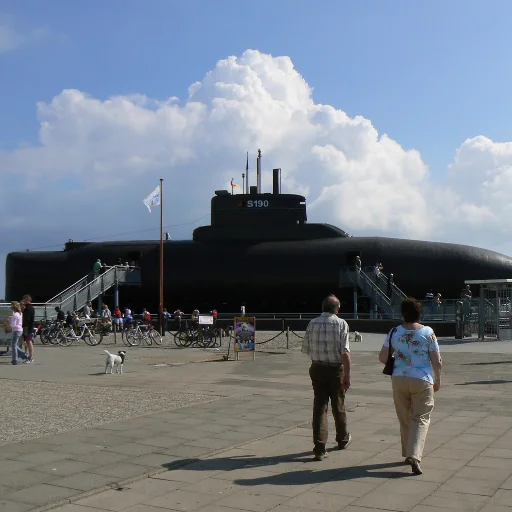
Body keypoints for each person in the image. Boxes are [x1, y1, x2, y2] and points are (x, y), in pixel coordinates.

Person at [378, 297, 442, 476]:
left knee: (405, 418)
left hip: (399, 378)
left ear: (403, 314)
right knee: (421, 417)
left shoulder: (394, 332)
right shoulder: (428, 332)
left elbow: (383, 358)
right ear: (419, 313)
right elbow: (437, 361)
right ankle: (414, 455)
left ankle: (407, 453)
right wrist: (438, 380)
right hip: (422, 379)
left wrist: (400, 358)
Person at [301, 294, 352, 461]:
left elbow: (306, 348)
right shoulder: (341, 324)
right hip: (335, 369)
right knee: (338, 405)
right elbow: (345, 352)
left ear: (322, 307)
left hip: (317, 368)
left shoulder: (312, 323)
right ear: (337, 309)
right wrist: (348, 375)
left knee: (320, 407)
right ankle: (343, 439)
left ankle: (319, 447)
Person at [21, 294, 35, 363]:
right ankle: (30, 357)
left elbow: (28, 319)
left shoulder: (29, 308)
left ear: (27, 299)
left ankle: (31, 358)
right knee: (28, 342)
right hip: (27, 327)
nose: (23, 300)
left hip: (28, 328)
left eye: (24, 299)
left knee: (29, 342)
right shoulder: (28, 308)